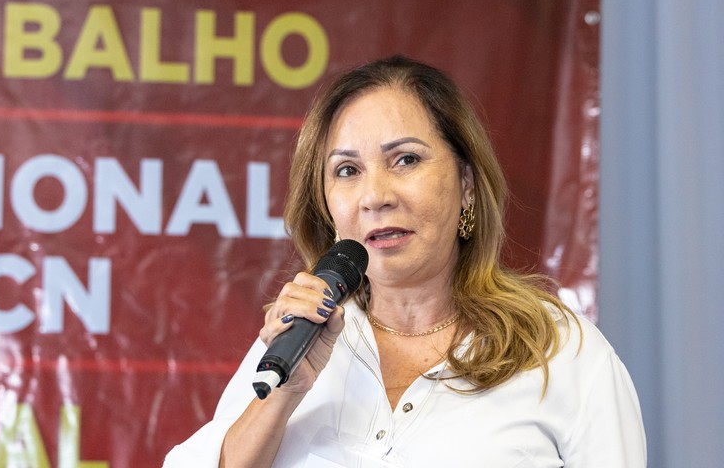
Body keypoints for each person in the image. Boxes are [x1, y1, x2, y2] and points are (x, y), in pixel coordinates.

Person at [163, 56, 646, 467]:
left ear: (466, 183)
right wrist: (286, 394)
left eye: (406, 160)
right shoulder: (300, 341)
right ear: (326, 205)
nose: (375, 195)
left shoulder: (561, 350)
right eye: (347, 170)